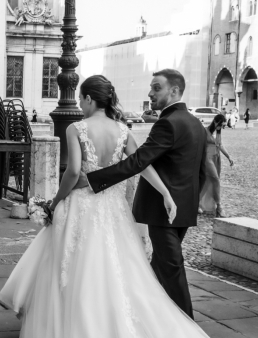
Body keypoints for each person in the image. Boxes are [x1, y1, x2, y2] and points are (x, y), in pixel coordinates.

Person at [0, 74, 258, 338]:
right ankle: (113, 330)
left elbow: (72, 174)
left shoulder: (76, 127)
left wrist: (54, 202)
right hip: (113, 215)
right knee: (117, 275)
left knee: (72, 274)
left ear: (87, 99)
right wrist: (167, 194)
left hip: (84, 207)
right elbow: (142, 166)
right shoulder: (123, 129)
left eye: (81, 98)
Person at [74, 69, 206, 319]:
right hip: (183, 208)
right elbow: (201, 171)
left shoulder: (168, 122)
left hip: (162, 211)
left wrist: (94, 178)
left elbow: (138, 161)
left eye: (157, 88)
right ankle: (152, 317)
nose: (150, 93)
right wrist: (192, 203)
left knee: (171, 269)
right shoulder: (195, 122)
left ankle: (187, 328)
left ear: (174, 91)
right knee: (159, 267)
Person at [200, 114, 235, 217]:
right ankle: (219, 206)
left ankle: (197, 203)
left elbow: (220, 145)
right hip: (207, 158)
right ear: (215, 121)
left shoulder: (218, 133)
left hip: (216, 158)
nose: (221, 127)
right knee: (215, 179)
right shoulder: (205, 131)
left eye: (223, 125)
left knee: (207, 182)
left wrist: (229, 157)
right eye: (220, 125)